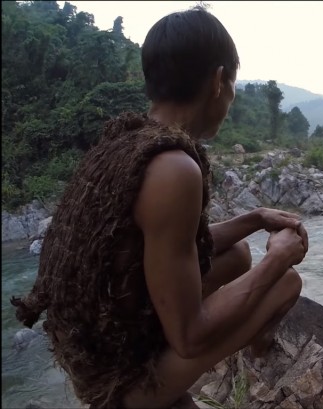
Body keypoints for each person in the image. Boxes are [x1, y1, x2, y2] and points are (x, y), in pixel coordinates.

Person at [11, 7, 307, 409]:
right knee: (284, 282)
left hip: (96, 348)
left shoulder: (127, 142)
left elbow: (170, 246)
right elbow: (190, 337)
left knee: (237, 254)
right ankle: (245, 350)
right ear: (219, 82)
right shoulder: (174, 169)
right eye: (233, 84)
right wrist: (277, 259)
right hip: (117, 386)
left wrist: (254, 220)